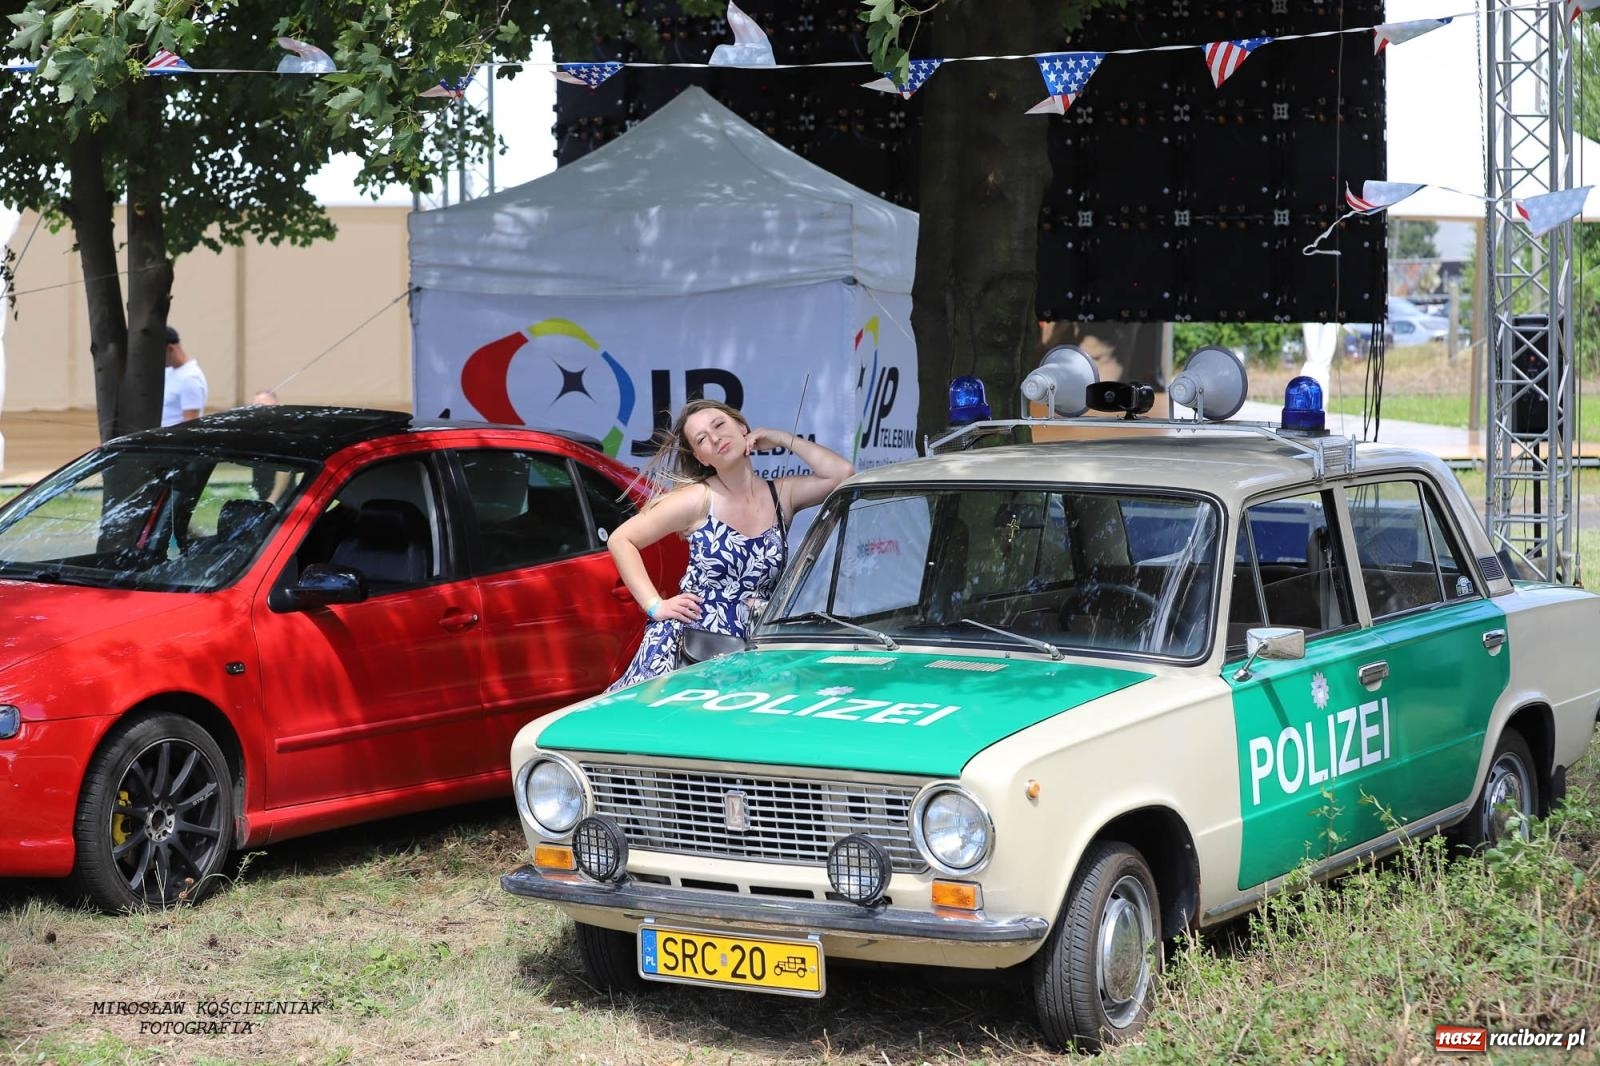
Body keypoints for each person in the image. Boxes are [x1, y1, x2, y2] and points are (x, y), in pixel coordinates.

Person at [605, 398, 853, 690]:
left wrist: (780, 438)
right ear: (701, 457)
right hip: (691, 649)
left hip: (755, 649)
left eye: (719, 424)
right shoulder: (698, 499)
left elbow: (842, 473)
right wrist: (654, 605)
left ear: (741, 426)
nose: (715, 437)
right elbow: (621, 539)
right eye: (702, 439)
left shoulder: (781, 496)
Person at [161, 325, 208, 426]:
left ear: (170, 348)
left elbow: (191, 424)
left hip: (172, 440)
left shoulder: (190, 378)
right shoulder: (169, 371)